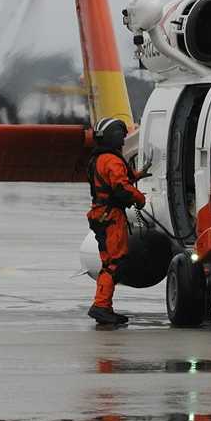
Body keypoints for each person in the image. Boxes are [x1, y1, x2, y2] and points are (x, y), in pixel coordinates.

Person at [85, 117, 145, 325]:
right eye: (121, 138)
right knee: (114, 263)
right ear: (114, 137)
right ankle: (101, 306)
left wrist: (136, 175)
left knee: (108, 262)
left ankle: (104, 306)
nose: (123, 142)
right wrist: (139, 198)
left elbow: (112, 181)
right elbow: (120, 187)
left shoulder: (99, 158)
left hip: (100, 214)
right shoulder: (111, 160)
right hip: (111, 216)